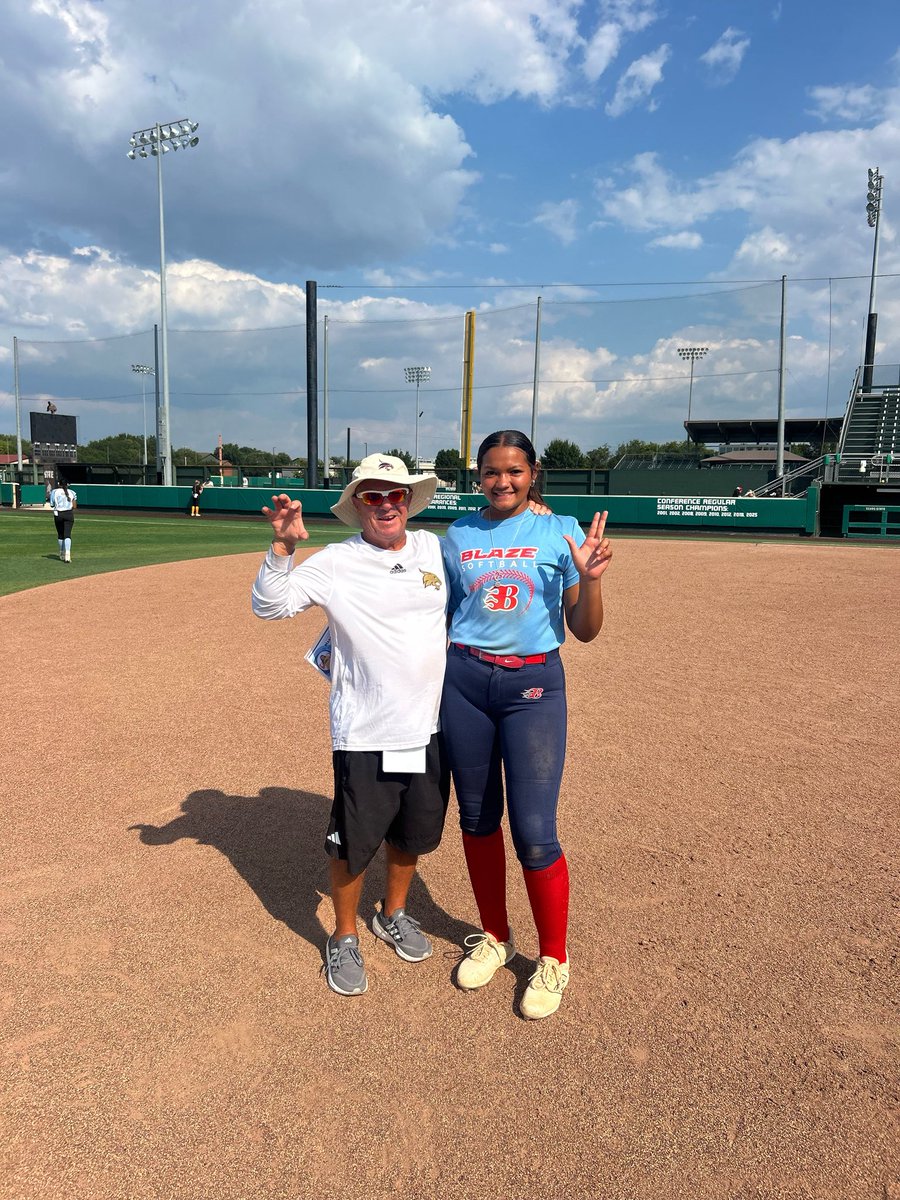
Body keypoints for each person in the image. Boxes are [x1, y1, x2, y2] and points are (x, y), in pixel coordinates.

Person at [251, 454, 450, 997]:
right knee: (352, 841)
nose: (386, 505)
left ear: (409, 501)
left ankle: (393, 912)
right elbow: (271, 607)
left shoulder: (433, 548)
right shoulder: (338, 560)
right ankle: (343, 936)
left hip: (427, 728)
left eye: (395, 495)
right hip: (364, 732)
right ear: (357, 505)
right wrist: (284, 548)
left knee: (412, 831)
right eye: (373, 496)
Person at [440, 430, 613, 1020]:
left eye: (514, 471)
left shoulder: (560, 531)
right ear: (479, 476)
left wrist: (589, 578)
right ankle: (495, 935)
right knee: (477, 818)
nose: (502, 481)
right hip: (463, 682)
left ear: (533, 472)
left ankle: (554, 959)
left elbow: (585, 630)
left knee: (535, 832)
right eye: (491, 472)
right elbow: (432, 615)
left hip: (532, 688)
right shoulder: (458, 535)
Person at [49, 479, 77, 562]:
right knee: (67, 534)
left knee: (60, 534)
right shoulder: (72, 492)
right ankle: (67, 554)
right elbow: (74, 506)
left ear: (59, 484)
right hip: (69, 514)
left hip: (58, 514)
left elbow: (52, 504)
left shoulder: (54, 492)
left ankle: (61, 553)